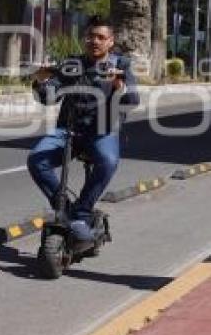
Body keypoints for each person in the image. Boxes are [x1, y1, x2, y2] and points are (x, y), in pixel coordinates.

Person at [27, 16, 139, 240]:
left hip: (103, 131)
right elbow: (49, 98)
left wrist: (119, 87)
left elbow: (133, 100)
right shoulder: (71, 64)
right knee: (36, 160)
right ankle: (66, 209)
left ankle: (82, 212)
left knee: (108, 161)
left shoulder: (121, 65)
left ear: (110, 41)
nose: (94, 41)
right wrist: (39, 81)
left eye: (100, 37)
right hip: (68, 130)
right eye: (90, 36)